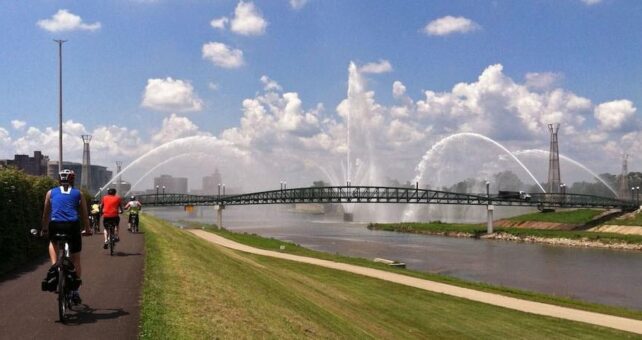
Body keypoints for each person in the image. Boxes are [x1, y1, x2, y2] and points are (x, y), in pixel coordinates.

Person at [41, 169, 91, 304]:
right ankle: (75, 291)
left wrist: (44, 228)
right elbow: (85, 215)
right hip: (72, 226)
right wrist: (87, 229)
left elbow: (46, 213)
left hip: (55, 224)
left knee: (52, 242)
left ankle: (54, 266)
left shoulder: (50, 193)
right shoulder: (79, 194)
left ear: (59, 179)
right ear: (72, 180)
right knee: (76, 259)